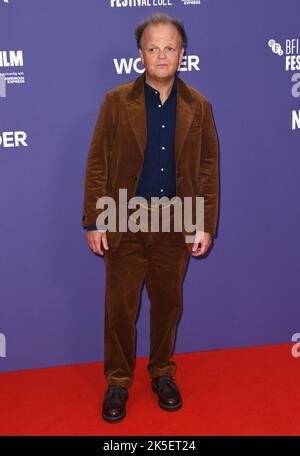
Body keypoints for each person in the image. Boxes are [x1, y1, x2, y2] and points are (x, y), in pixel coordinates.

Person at [81, 12, 219, 423]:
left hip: (178, 220)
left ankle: (162, 374)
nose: (161, 55)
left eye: (169, 48)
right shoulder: (115, 102)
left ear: (182, 54)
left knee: (167, 306)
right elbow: (97, 164)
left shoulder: (200, 106)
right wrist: (95, 219)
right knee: (120, 309)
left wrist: (204, 223)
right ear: (140, 55)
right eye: (153, 48)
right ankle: (118, 381)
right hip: (124, 218)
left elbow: (208, 167)